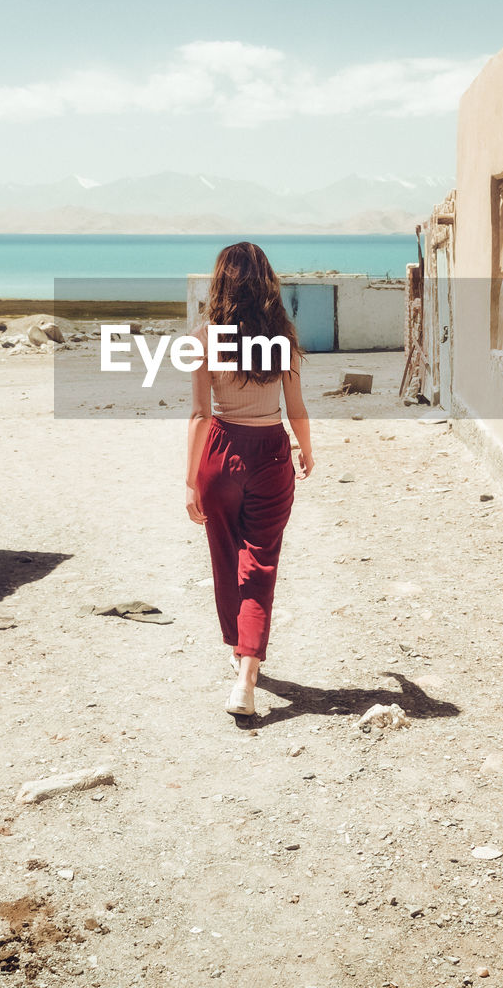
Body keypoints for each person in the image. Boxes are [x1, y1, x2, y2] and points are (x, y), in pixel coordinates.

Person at [185, 242, 315, 716]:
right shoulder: (282, 335)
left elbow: (200, 414)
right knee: (260, 563)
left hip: (219, 455)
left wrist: (188, 481)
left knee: (226, 559)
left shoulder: (202, 338)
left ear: (220, 283)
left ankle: (239, 650)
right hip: (270, 456)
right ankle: (246, 676)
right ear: (266, 283)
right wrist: (306, 447)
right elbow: (295, 407)